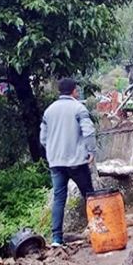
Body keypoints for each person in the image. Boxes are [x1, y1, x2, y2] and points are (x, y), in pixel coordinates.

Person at [40, 78, 96, 247]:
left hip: (56, 163)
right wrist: (91, 151)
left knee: (59, 199)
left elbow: (43, 138)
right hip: (76, 161)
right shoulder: (78, 108)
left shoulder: (49, 111)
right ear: (74, 91)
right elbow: (88, 131)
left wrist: (54, 152)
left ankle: (57, 239)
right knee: (90, 195)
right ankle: (97, 230)